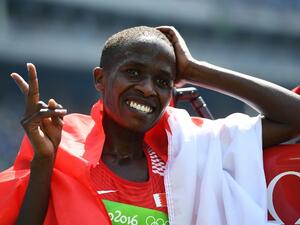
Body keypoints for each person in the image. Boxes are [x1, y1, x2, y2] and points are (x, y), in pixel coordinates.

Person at [0, 26, 299, 225]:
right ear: (100, 79)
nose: (147, 89)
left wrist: (195, 70)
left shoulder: (189, 150)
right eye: (133, 72)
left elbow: (294, 117)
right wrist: (44, 162)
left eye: (162, 81)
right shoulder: (60, 147)